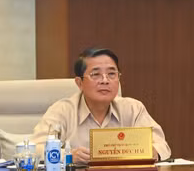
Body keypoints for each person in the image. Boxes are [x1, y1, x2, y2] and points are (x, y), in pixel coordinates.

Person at [31, 47, 170, 162]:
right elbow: (34, 149)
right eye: (96, 74)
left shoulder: (133, 108)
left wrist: (153, 151)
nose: (105, 80)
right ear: (79, 83)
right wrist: (68, 156)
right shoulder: (62, 111)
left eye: (111, 74)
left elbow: (162, 145)